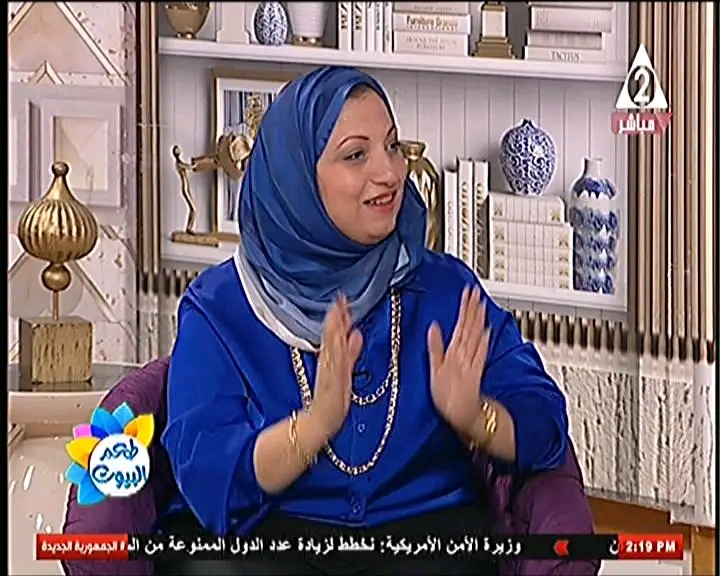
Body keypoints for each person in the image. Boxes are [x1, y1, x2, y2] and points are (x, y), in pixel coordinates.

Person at [157, 66, 569, 576]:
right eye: (356, 155)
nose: (390, 173)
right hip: (270, 543)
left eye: (392, 147)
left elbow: (545, 424)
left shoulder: (445, 291)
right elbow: (207, 475)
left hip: (424, 544)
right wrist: (314, 426)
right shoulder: (221, 306)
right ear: (295, 178)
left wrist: (478, 416)